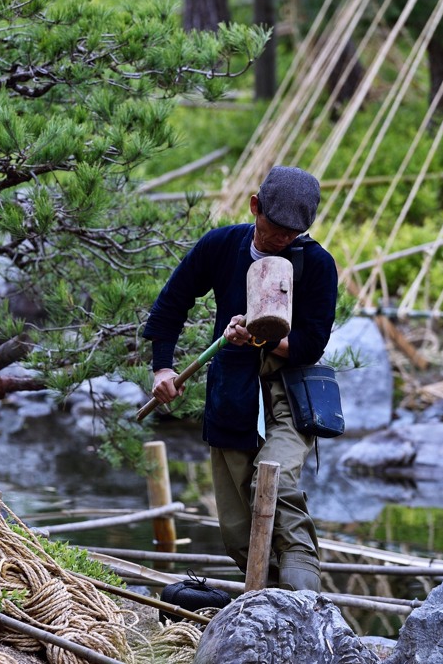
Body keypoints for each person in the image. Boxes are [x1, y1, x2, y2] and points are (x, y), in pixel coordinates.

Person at [142, 165, 338, 592]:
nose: (282, 240)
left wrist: (261, 337)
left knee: (275, 479)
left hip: (290, 392)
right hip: (232, 390)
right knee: (236, 526)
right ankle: (267, 607)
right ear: (255, 207)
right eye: (274, 229)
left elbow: (310, 345)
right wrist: (163, 368)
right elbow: (171, 305)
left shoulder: (317, 265)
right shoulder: (221, 245)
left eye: (293, 233)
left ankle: (306, 603)